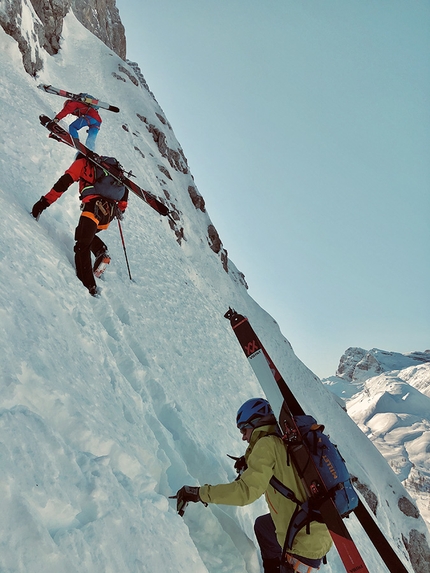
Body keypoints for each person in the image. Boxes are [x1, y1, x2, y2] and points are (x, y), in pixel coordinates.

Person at [174, 398, 333, 573]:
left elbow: (245, 492)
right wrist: (248, 462)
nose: (243, 436)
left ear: (257, 423)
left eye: (244, 429)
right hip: (317, 526)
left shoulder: (266, 444)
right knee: (263, 526)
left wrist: (200, 493)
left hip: (303, 542)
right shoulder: (283, 439)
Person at [31, 154, 128, 296]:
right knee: (82, 232)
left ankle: (89, 287)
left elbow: (62, 184)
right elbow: (123, 201)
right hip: (108, 215)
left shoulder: (82, 163)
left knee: (82, 245)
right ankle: (101, 251)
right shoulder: (109, 171)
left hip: (93, 209)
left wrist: (43, 203)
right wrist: (119, 209)